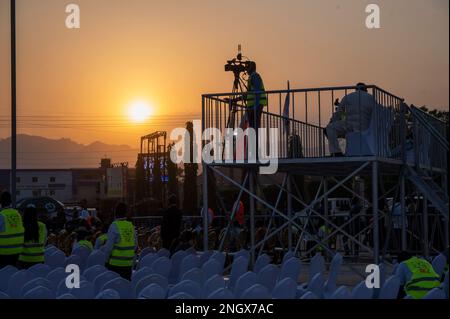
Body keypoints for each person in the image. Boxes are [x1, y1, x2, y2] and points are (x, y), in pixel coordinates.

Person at [326, 83, 374, 156]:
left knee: (330, 128)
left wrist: (332, 122)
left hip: (349, 125)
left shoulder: (348, 97)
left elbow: (339, 113)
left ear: (355, 89)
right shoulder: (370, 98)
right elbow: (375, 113)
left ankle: (336, 152)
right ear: (366, 90)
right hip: (365, 126)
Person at [104, 203, 137, 280]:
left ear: (115, 213)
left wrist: (106, 261)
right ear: (126, 213)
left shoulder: (114, 226)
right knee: (125, 287)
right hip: (128, 264)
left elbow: (109, 247)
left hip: (115, 264)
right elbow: (135, 245)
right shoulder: (131, 226)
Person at [0, 191, 24, 269]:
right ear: (10, 202)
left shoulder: (1, 215)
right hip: (18, 251)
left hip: (4, 252)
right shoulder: (17, 214)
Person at [18, 205, 47, 269]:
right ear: (35, 215)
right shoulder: (42, 226)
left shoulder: (21, 226)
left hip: (24, 259)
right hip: (39, 259)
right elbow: (44, 242)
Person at [245, 61, 268, 129]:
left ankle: (255, 139)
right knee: (252, 128)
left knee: (254, 127)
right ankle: (254, 139)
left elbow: (257, 92)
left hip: (256, 106)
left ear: (251, 68)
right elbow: (248, 94)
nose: (246, 70)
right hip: (252, 106)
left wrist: (255, 106)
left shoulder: (255, 76)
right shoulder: (251, 77)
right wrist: (235, 99)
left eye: (247, 67)